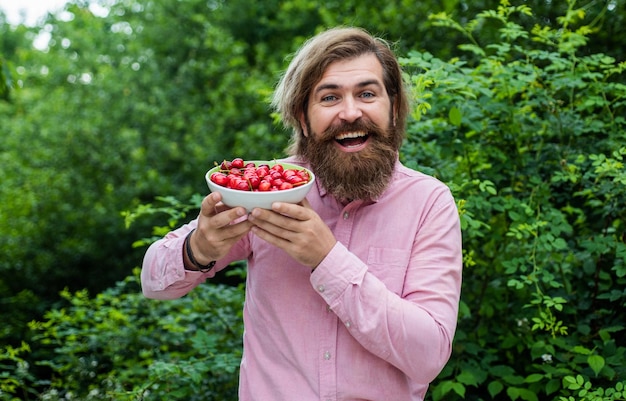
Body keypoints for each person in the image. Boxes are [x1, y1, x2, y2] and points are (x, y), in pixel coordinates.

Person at [141, 26, 463, 401]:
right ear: (303, 117)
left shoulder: (429, 203)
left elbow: (428, 355)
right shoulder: (269, 189)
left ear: (393, 108)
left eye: (367, 93)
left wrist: (327, 258)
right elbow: (154, 282)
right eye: (329, 97)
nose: (350, 112)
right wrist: (198, 247)